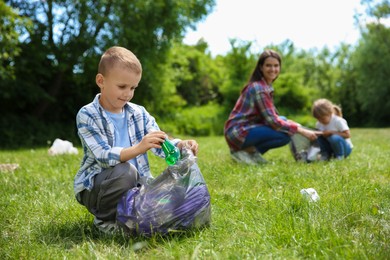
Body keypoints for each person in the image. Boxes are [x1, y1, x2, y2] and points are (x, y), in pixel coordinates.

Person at [73, 46, 199, 233]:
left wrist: (180, 145)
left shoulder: (138, 112)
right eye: (122, 86)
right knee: (125, 171)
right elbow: (103, 155)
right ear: (101, 81)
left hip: (137, 185)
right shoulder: (87, 114)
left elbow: (158, 143)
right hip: (97, 189)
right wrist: (139, 147)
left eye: (133, 88)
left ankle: (131, 216)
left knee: (170, 198)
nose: (128, 94)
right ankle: (105, 220)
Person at [224, 49, 318, 164]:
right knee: (284, 135)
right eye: (268, 65)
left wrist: (291, 123)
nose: (273, 69)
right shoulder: (260, 89)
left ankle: (251, 154)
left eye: (276, 66)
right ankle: (243, 153)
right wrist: (301, 130)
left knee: (284, 120)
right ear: (261, 67)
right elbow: (273, 122)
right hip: (238, 132)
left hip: (245, 129)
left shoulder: (265, 86)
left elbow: (274, 117)